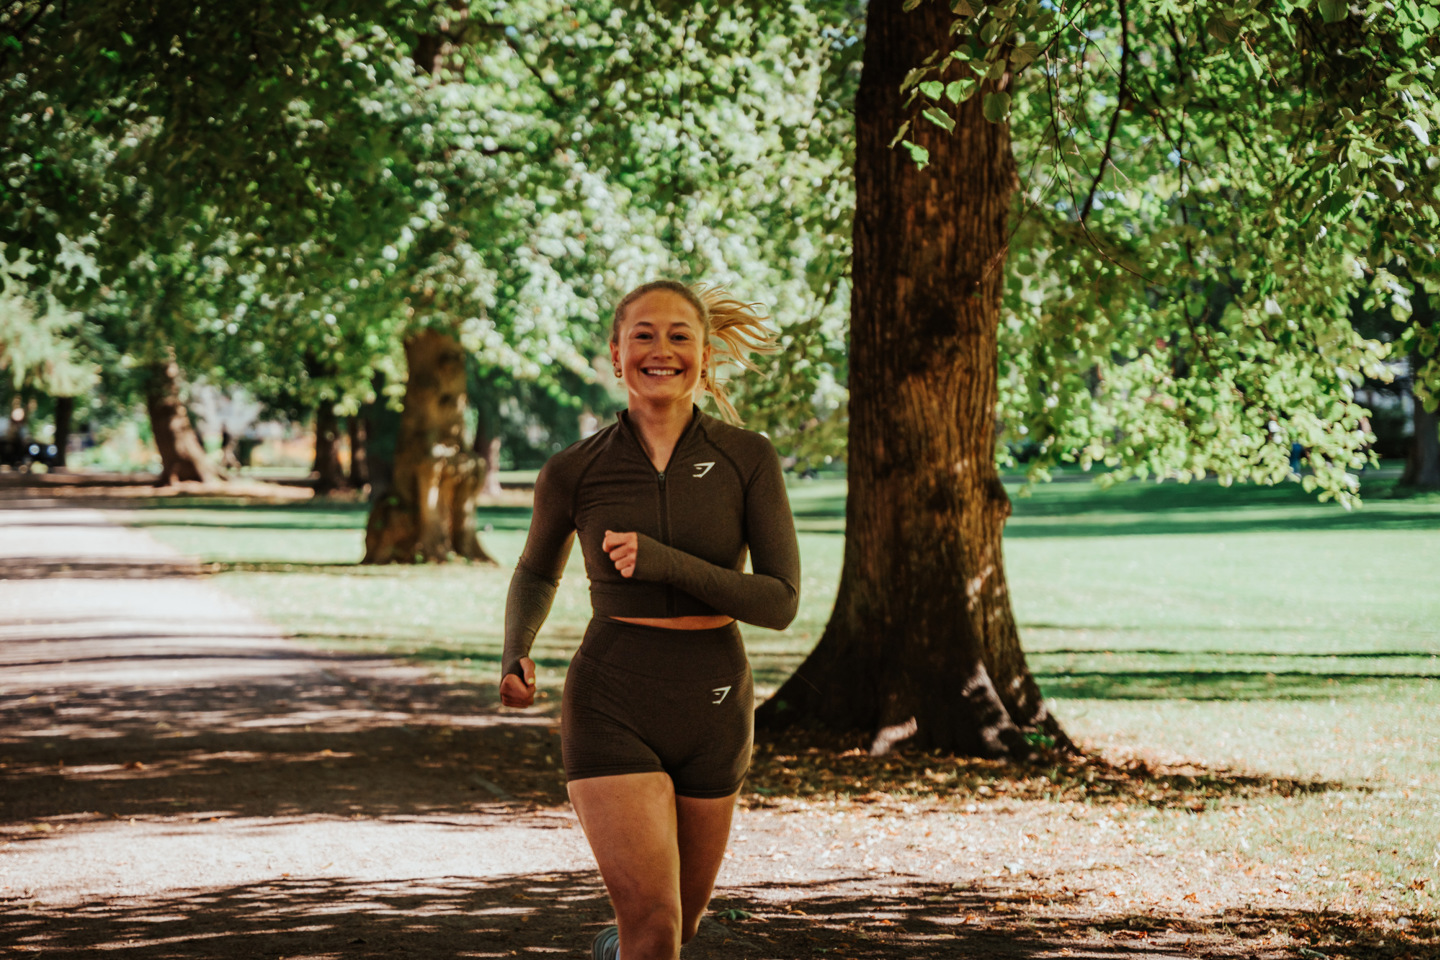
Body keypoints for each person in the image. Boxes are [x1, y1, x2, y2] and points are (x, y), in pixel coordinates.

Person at [499, 280, 800, 960]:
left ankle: (617, 949)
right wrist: (516, 649)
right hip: (612, 696)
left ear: (703, 353)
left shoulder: (747, 458)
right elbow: (536, 571)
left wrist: (666, 563)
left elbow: (780, 602)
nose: (660, 350)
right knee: (655, 928)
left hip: (715, 702)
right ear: (615, 354)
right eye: (643, 335)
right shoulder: (574, 469)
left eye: (678, 335)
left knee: (681, 925)